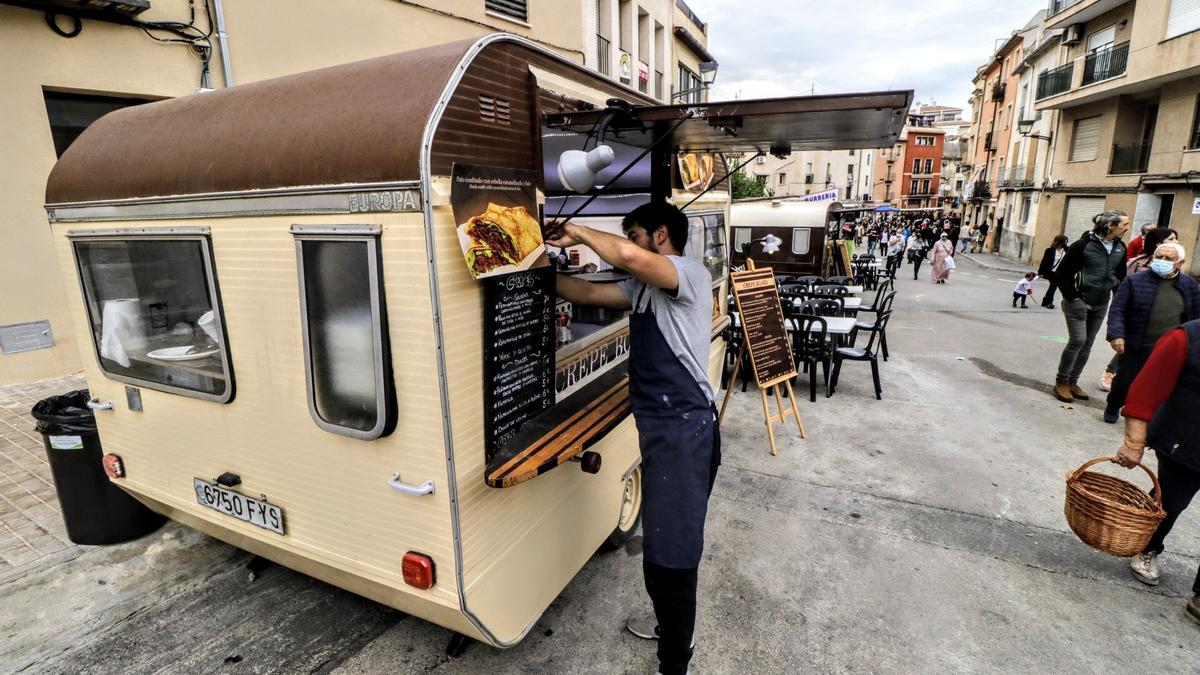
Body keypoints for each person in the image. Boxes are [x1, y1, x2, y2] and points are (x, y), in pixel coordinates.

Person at [546, 201, 719, 675]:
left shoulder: (687, 274)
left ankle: (674, 662)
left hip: (685, 430)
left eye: (635, 234)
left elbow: (633, 259)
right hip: (660, 429)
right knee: (663, 549)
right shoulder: (644, 289)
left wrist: (579, 232)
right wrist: (532, 272)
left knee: (672, 556)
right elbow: (586, 293)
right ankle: (671, 631)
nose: (630, 245)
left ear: (660, 235)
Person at [1114, 317, 1200, 626]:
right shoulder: (1186, 338)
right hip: (1185, 441)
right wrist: (1134, 441)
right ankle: (1148, 548)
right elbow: (1145, 391)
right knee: (1170, 503)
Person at [1103, 242, 1200, 423]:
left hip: (1169, 348)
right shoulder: (1134, 281)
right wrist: (1117, 334)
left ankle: (1150, 417)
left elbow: (1195, 317)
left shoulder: (1190, 286)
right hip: (1138, 343)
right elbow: (1118, 309)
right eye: (1159, 257)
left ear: (1180, 263)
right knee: (1125, 381)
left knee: (1161, 385)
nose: (1162, 261)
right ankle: (1114, 405)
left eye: (1168, 258)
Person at [1052, 210, 1130, 403]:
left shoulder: (1120, 247)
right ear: (1110, 225)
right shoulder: (1082, 245)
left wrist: (1118, 302)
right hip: (1078, 301)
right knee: (1078, 340)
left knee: (1087, 343)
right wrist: (1074, 299)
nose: (1127, 228)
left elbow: (1120, 277)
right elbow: (1061, 274)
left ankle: (1072, 381)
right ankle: (1061, 381)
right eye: (1124, 225)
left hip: (1101, 302)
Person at [1101, 228, 1183, 391]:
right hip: (1137, 319)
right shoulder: (1137, 264)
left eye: (1176, 238)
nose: (1176, 241)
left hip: (1162, 322)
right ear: (1159, 244)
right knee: (1130, 352)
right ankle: (1112, 375)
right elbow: (1123, 295)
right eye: (1171, 238)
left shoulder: (1178, 266)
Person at [1037, 235, 1069, 309]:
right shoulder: (1049, 250)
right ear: (1060, 242)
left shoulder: (1066, 250)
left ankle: (1046, 301)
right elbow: (1043, 262)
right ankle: (1048, 302)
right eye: (1065, 241)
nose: (1066, 243)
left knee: (1053, 286)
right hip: (1050, 272)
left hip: (1059, 273)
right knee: (1053, 286)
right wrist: (1040, 272)